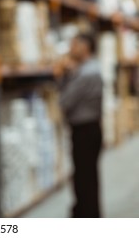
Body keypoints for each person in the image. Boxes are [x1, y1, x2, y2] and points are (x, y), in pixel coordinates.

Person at [54, 33, 103, 218]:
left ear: (85, 47)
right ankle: (85, 213)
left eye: (74, 44)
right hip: (87, 130)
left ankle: (87, 216)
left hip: (85, 131)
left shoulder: (86, 73)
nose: (70, 49)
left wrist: (62, 76)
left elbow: (64, 101)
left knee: (85, 178)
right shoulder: (88, 70)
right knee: (86, 176)